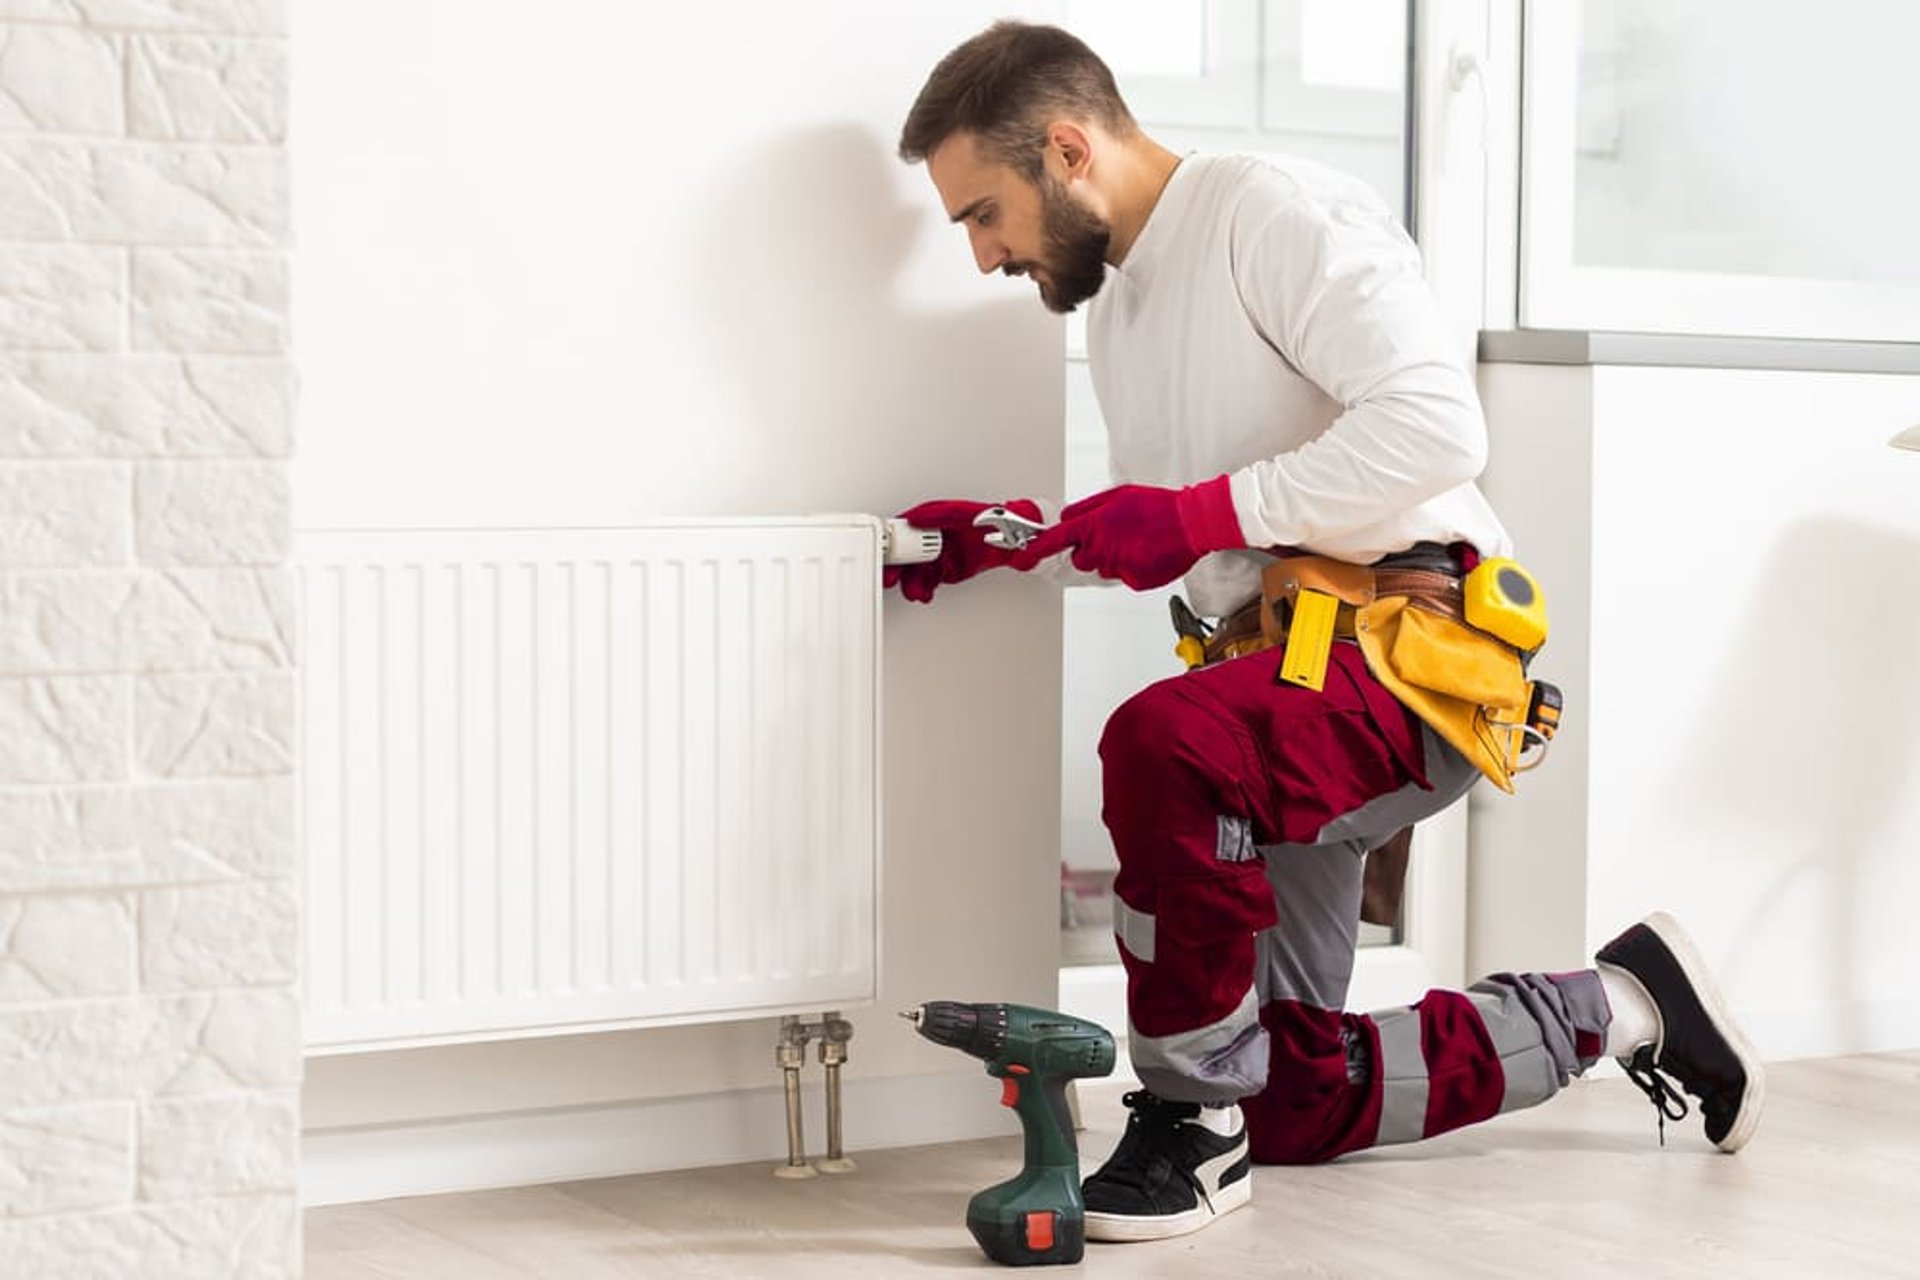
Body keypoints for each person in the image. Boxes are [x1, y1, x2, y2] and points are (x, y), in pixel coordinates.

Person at [890, 20, 1764, 1245]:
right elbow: (1205, 530)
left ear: (1069, 150)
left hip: (1409, 651)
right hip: (1277, 676)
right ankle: (1623, 1002)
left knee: (1162, 742)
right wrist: (1009, 539)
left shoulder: (1272, 213)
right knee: (1290, 1092)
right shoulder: (1125, 314)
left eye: (984, 212)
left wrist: (1193, 511)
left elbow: (1435, 425)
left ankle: (1189, 1126)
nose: (985, 253)